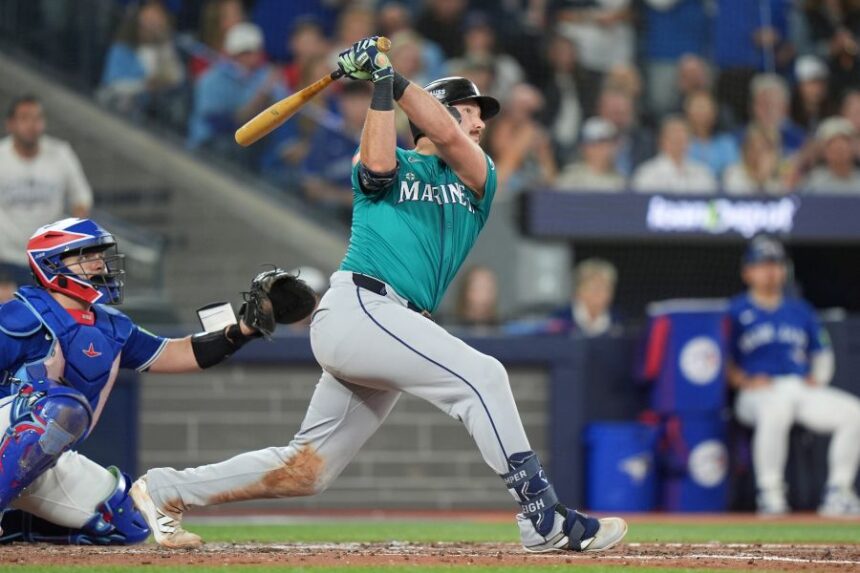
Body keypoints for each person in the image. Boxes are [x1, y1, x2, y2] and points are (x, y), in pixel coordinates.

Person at [130, 36, 628, 554]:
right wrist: (382, 86)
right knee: (484, 376)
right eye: (468, 111)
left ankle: (165, 490)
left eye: (482, 115)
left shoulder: (477, 174)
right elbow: (377, 169)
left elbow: (451, 140)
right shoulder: (394, 157)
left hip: (388, 323)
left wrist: (390, 77)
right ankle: (541, 515)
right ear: (428, 111)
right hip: (361, 306)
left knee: (307, 470)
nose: (479, 124)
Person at [0, 218, 307, 544]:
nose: (100, 263)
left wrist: (241, 331)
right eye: (86, 255)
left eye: (99, 254)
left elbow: (176, 353)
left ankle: (18, 521)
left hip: (36, 463)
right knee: (62, 408)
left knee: (126, 524)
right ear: (53, 264)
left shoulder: (112, 326)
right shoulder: (19, 315)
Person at [728, 236, 860, 516]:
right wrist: (741, 380)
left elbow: (822, 351)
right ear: (747, 271)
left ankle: (838, 491)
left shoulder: (800, 309)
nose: (770, 271)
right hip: (756, 392)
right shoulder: (736, 310)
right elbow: (719, 358)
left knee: (854, 413)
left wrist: (819, 377)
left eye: (775, 264)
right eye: (763, 264)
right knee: (775, 409)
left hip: (797, 386)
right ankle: (770, 493)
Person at [0, 95, 93, 302]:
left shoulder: (61, 154)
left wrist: (73, 238)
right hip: (6, 259)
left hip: (49, 259)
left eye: (37, 118)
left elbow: (81, 198)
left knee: (53, 324)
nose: (32, 125)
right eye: (25, 118)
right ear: (11, 124)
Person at [187, 22, 292, 166]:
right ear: (231, 54)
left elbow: (284, 109)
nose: (252, 58)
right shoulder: (212, 79)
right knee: (225, 145)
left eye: (255, 52)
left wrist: (272, 92)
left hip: (249, 148)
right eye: (245, 53)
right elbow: (222, 124)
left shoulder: (265, 75)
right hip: (208, 145)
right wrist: (261, 97)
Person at [98, 1, 185, 125]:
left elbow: (177, 77)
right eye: (148, 20)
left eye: (157, 20)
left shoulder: (162, 50)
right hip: (112, 111)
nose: (152, 25)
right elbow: (113, 84)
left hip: (148, 117)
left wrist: (164, 46)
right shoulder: (123, 48)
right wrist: (145, 85)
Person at [301, 82, 373, 220]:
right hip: (325, 211)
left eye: (364, 100)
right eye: (353, 100)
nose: (360, 107)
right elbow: (310, 185)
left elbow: (378, 200)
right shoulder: (327, 133)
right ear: (342, 103)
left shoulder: (385, 142)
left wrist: (337, 195)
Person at [631, 116, 718, 194]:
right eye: (674, 138)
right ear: (661, 141)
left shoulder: (703, 173)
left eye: (683, 138)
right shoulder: (647, 173)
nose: (679, 143)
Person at [549, 258, 619, 337]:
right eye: (594, 288)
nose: (600, 293)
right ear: (578, 291)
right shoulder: (559, 319)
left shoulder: (619, 321)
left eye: (605, 288)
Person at [555, 117, 625, 192]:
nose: (606, 148)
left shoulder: (620, 181)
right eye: (600, 142)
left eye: (610, 142)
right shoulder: (571, 178)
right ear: (584, 147)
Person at [684, 91, 740, 178]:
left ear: (714, 113)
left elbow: (733, 174)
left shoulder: (726, 144)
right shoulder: (680, 143)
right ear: (687, 112)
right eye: (697, 107)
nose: (701, 113)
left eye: (704, 107)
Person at [802, 116, 860, 193]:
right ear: (823, 151)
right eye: (832, 143)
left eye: (845, 142)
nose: (839, 148)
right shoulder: (814, 182)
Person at [723, 126, 786, 195]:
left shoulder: (780, 179)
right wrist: (759, 177)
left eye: (764, 150)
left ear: (775, 155)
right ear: (744, 151)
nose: (758, 155)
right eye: (753, 148)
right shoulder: (733, 174)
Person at [451, 265, 500, 330]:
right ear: (466, 291)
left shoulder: (501, 329)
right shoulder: (451, 327)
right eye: (479, 288)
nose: (485, 295)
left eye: (489, 289)